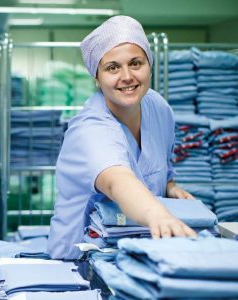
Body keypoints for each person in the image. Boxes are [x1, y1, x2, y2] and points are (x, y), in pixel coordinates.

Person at [47, 15, 197, 260]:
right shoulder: (90, 130)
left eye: (136, 63)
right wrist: (156, 214)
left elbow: (160, 167)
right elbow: (119, 181)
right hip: (81, 263)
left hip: (136, 254)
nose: (127, 76)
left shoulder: (158, 108)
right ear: (97, 78)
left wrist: (170, 188)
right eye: (112, 67)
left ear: (150, 65)